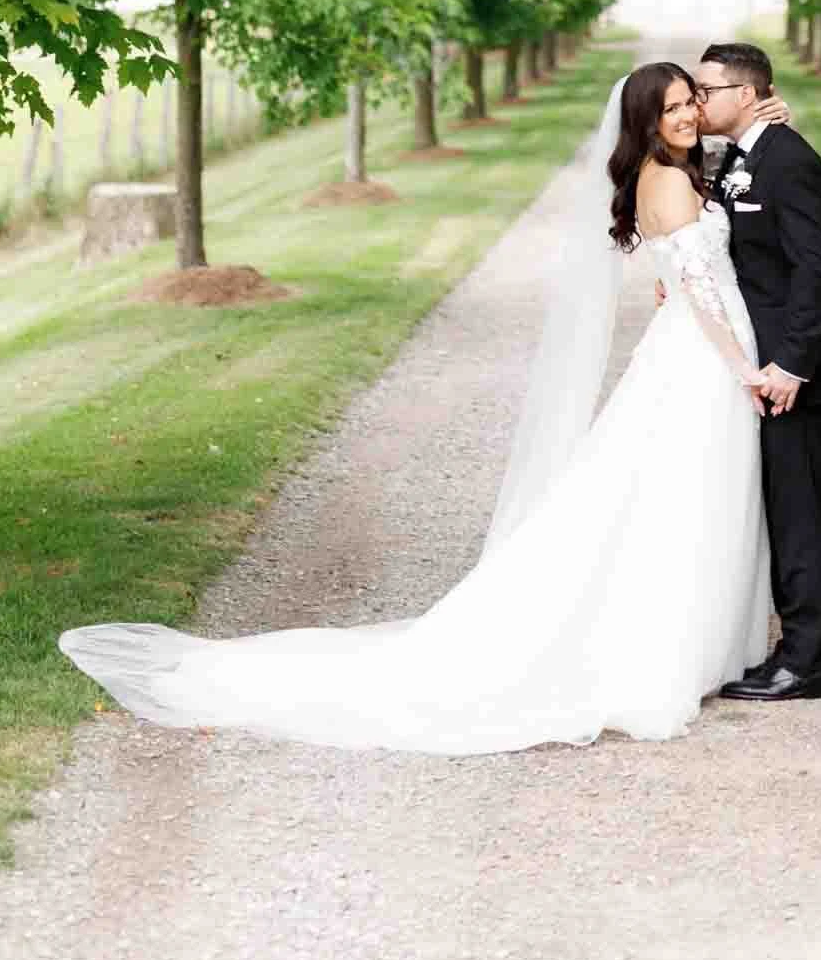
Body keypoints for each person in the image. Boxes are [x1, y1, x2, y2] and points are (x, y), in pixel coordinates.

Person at [59, 63, 775, 753]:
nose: (684, 114)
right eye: (671, 106)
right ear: (643, 119)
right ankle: (665, 651)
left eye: (689, 101)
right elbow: (704, 293)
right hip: (701, 355)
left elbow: (689, 265)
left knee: (676, 493)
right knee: (680, 494)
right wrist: (740, 363)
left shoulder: (672, 175)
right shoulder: (669, 184)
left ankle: (690, 639)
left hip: (688, 348)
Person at [694, 41, 821, 703]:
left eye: (707, 89)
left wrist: (790, 365)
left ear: (744, 93)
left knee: (798, 515)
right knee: (774, 508)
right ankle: (783, 649)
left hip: (799, 375)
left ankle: (804, 664)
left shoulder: (789, 163)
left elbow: (816, 271)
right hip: (762, 370)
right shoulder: (742, 156)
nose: (698, 98)